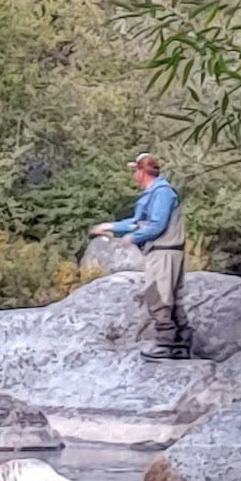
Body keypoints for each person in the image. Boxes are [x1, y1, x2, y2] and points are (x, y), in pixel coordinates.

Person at [91, 152, 193, 359]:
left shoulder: (163, 193)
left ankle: (167, 343)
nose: (133, 176)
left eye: (135, 171)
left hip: (165, 251)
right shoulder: (154, 193)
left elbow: (156, 225)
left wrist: (133, 238)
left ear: (142, 171)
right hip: (159, 251)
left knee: (159, 296)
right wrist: (111, 226)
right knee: (167, 296)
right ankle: (181, 342)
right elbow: (137, 221)